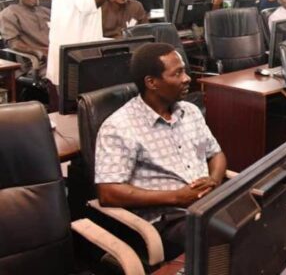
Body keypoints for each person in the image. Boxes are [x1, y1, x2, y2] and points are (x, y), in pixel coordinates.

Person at [94, 43, 227, 260]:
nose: (187, 78)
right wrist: (176, 197)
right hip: (167, 220)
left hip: (209, 204)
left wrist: (213, 180)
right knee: (223, 242)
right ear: (152, 82)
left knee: (261, 215)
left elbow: (216, 154)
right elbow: (108, 192)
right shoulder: (119, 127)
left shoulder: (190, 111)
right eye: (178, 73)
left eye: (184, 70)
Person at [0, 0, 50, 77]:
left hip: (56, 57)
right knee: (62, 74)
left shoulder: (46, 11)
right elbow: (14, 44)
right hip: (35, 63)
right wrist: (39, 52)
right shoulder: (10, 13)